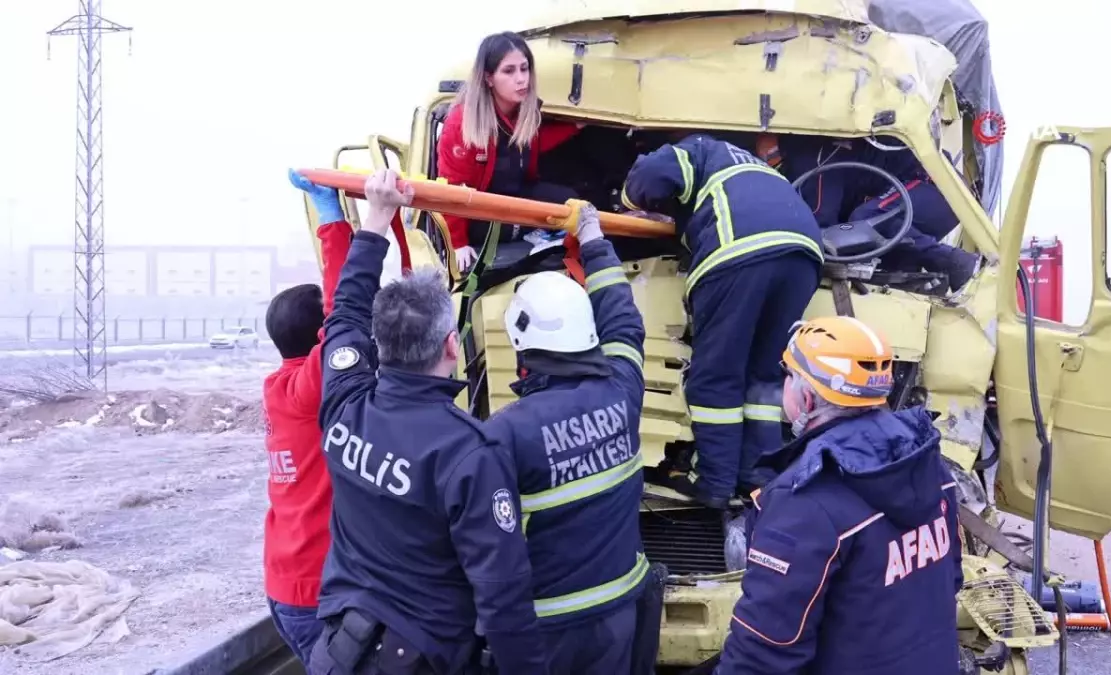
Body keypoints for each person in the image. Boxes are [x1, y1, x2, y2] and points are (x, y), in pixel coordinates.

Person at [307, 168, 547, 675]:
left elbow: (346, 314)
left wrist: (376, 220)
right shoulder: (468, 454)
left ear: (379, 347)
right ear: (451, 346)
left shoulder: (346, 404)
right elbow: (503, 597)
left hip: (337, 653)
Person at [714, 316, 963, 675]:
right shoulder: (926, 463)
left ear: (808, 396)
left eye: (790, 375)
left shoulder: (803, 502)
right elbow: (949, 579)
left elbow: (764, 651)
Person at [483, 201, 648, 674]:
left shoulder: (506, 432)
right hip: (620, 610)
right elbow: (623, 320)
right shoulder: (622, 390)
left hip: (549, 630)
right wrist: (593, 238)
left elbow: (487, 549)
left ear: (522, 345)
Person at [620, 133, 824, 510]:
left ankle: (714, 482)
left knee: (716, 376)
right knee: (763, 376)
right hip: (804, 254)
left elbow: (651, 174)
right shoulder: (755, 168)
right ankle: (757, 476)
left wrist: (629, 201)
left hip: (740, 250)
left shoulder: (697, 150)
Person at [259, 170, 354, 669]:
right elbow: (344, 312)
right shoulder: (306, 391)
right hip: (312, 594)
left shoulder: (279, 388)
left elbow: (333, 321)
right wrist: (332, 223)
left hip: (287, 583)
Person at [437, 31, 584, 272]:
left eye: (524, 69)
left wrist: (575, 126)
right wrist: (457, 243)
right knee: (502, 227)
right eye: (509, 71)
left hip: (518, 193)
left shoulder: (525, 112)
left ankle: (541, 233)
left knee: (571, 201)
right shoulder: (462, 122)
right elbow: (450, 186)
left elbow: (534, 142)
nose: (521, 79)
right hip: (480, 205)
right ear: (489, 78)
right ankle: (530, 233)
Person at [763, 133, 980, 291]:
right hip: (930, 197)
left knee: (866, 220)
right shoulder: (817, 153)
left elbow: (820, 221)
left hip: (939, 186)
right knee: (867, 234)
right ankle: (916, 281)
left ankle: (954, 262)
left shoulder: (813, 158)